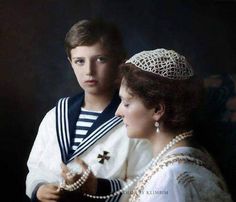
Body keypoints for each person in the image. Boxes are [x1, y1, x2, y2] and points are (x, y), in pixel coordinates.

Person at [25, 19, 152, 202]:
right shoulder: (55, 116)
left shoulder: (135, 121)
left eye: (100, 59)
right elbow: (35, 167)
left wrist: (98, 187)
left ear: (119, 61)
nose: (89, 71)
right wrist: (39, 188)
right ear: (70, 62)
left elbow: (146, 183)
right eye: (80, 61)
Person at [115, 48, 233, 201]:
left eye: (126, 103)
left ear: (157, 110)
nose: (118, 112)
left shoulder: (171, 178)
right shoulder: (183, 156)